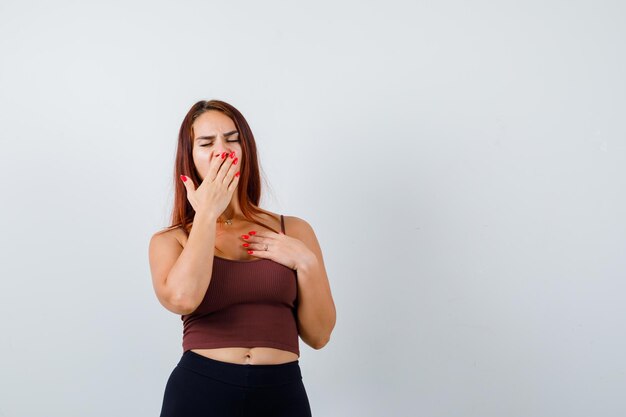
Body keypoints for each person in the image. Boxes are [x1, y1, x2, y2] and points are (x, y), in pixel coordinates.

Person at [148, 99, 337, 416]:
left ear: (246, 148)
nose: (222, 150)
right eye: (207, 143)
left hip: (281, 392)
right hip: (201, 390)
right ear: (190, 159)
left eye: (232, 138)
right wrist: (208, 213)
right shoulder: (171, 240)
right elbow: (182, 299)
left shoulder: (293, 230)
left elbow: (319, 336)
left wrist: (306, 263)